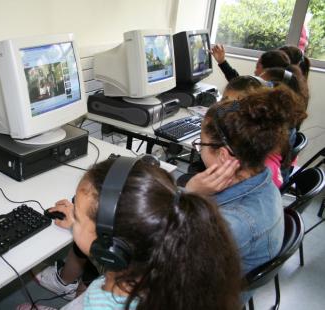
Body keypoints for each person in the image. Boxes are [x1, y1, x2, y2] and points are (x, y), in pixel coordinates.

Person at [30, 157, 241, 309]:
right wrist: (83, 224)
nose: (73, 213)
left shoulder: (103, 302)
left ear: (112, 249)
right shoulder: (176, 266)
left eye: (78, 213)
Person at [185, 87, 298, 280]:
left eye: (200, 144)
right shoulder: (265, 183)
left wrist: (190, 195)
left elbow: (171, 255)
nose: (199, 150)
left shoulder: (235, 223)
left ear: (223, 155)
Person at [211, 44, 290, 81]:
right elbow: (238, 82)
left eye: (257, 67)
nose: (255, 72)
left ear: (267, 71)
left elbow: (239, 85)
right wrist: (221, 61)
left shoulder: (259, 99)